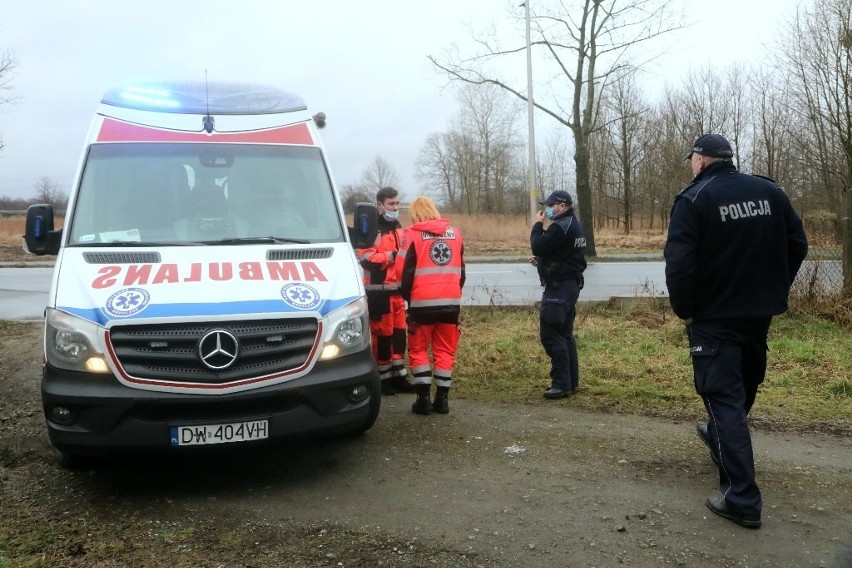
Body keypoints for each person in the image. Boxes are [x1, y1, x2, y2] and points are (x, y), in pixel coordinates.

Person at [664, 133, 808, 529]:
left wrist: (686, 311)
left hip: (714, 320)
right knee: (743, 386)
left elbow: (679, 265)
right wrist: (773, 289)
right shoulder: (769, 191)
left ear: (699, 160)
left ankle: (741, 498)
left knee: (724, 398)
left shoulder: (693, 199)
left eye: (692, 159)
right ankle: (720, 438)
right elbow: (798, 245)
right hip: (757, 315)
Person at [395, 196, 465, 415]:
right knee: (445, 350)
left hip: (421, 304)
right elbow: (461, 272)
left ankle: (423, 399)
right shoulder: (456, 234)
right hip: (451, 303)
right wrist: (453, 293)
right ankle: (442, 400)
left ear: (415, 214)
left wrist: (408, 297)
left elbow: (401, 271)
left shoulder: (412, 235)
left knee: (418, 350)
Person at [530, 190, 587, 400]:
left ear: (562, 206)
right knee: (564, 334)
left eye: (550, 206)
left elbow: (538, 245)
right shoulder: (573, 224)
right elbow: (563, 254)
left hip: (560, 287)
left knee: (551, 334)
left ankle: (561, 383)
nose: (547, 210)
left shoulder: (561, 227)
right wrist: (543, 262)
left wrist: (537, 225)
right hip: (569, 284)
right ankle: (570, 382)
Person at [355, 187, 413, 396]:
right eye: (391, 204)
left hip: (397, 292)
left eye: (398, 203)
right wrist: (391, 256)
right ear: (380, 205)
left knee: (399, 335)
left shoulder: (398, 226)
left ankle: (398, 376)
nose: (396, 207)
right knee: (383, 336)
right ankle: (383, 378)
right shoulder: (372, 228)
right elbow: (366, 259)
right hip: (379, 292)